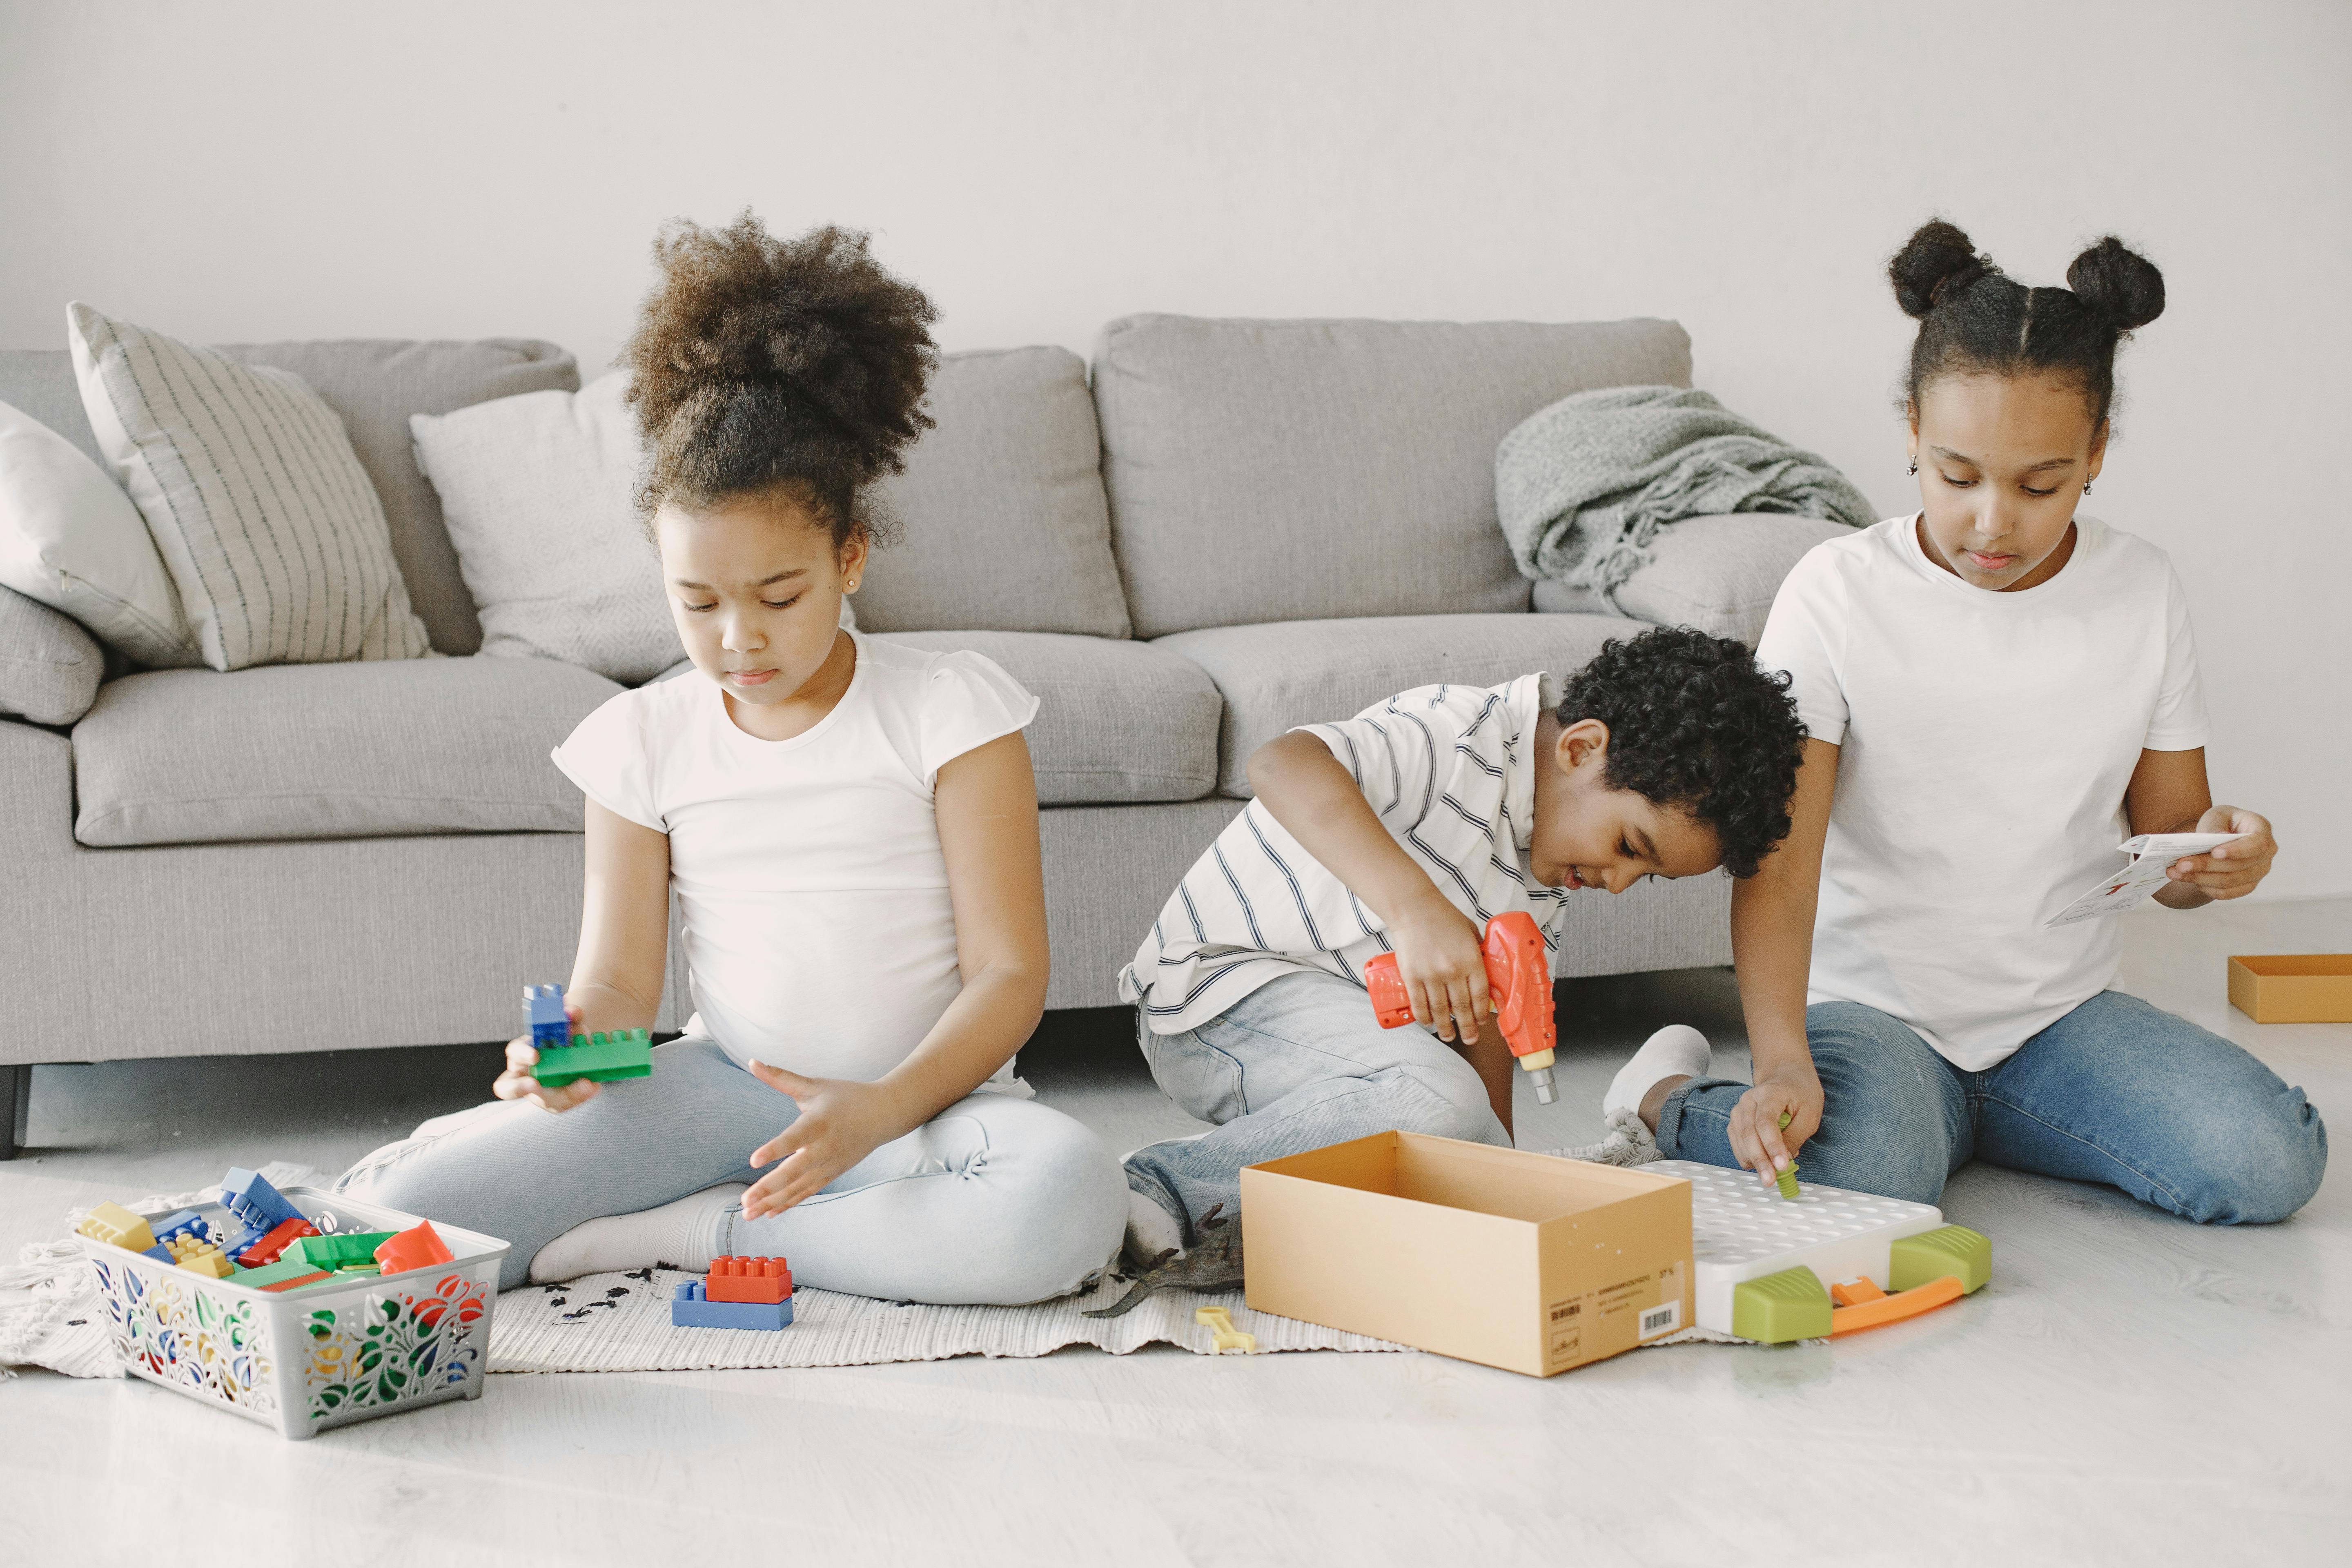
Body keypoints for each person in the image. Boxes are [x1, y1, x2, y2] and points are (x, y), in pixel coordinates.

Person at [339, 214, 1126, 1300]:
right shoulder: (639, 738)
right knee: (401, 1229)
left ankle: (689, 1234)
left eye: (779, 596)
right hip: (729, 1093)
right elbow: (616, 982)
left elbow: (1010, 975)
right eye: (696, 602)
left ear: (849, 558)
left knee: (1065, 1210)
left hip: (934, 1107)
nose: (737, 640)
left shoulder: (954, 712)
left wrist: (883, 1109)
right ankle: (777, 1216)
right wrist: (567, 1054)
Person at [1602, 219, 2327, 1223]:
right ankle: (1671, 1096)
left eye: (2041, 485)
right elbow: (1780, 860)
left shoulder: (2144, 590)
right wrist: (1779, 1061)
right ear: (1910, 434)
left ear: (2097, 453)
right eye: (1958, 476)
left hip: (2058, 1019)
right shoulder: (1837, 593)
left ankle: (1969, 1122)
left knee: (2268, 1160)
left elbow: (2174, 857)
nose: (1995, 523)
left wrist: (2219, 857)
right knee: (1874, 1174)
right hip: (1875, 1014)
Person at [1117, 626, 1808, 1258]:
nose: (1621, 883)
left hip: (1354, 1049)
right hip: (1218, 997)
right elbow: (1281, 763)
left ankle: (1267, 1184)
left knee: (1461, 1146)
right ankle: (1159, 1191)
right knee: (1434, 1100)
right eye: (1630, 846)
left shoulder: (1548, 863)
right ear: (1581, 749)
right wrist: (1416, 908)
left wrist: (1495, 1164)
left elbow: (1489, 1029)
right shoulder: (1454, 734)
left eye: (1647, 876)